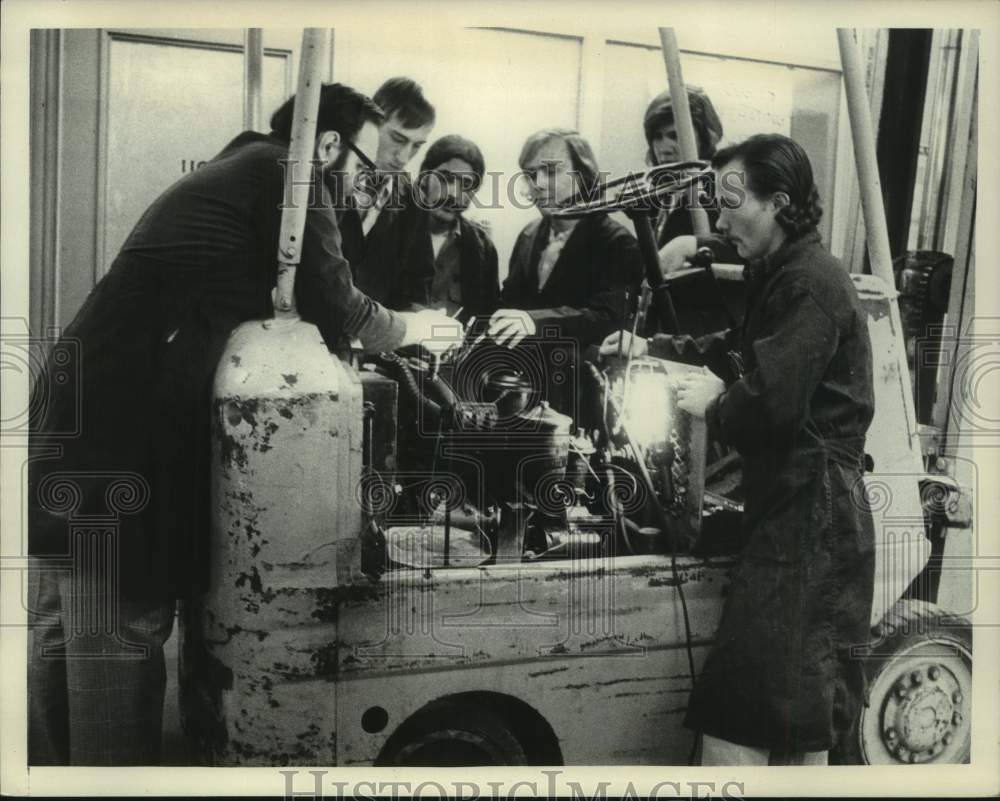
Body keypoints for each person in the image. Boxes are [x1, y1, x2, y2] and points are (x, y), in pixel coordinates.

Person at [26, 83, 461, 766]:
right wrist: (423, 327)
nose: (368, 188)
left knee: (65, 622)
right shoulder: (292, 176)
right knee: (118, 631)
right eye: (370, 168)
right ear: (327, 145)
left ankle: (54, 773)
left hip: (87, 392)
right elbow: (340, 303)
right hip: (124, 418)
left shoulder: (242, 162)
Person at [600, 133, 876, 765]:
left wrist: (718, 405)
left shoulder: (809, 286)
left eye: (731, 203)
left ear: (778, 202)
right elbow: (736, 351)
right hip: (798, 507)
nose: (718, 220)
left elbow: (772, 400)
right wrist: (653, 350)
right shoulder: (783, 275)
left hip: (813, 515)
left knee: (752, 711)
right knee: (794, 712)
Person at [488, 128, 643, 351]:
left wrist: (535, 321)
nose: (538, 183)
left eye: (551, 171)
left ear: (583, 175)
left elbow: (609, 317)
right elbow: (509, 304)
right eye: (531, 174)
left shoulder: (618, 243)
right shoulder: (528, 235)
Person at [340, 76, 436, 307]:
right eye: (397, 138)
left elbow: (416, 286)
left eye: (416, 146)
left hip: (375, 338)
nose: (404, 157)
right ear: (371, 123)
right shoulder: (329, 176)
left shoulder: (414, 200)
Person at [399, 134, 500, 321]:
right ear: (424, 177)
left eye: (467, 184)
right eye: (445, 179)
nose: (454, 194)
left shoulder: (483, 250)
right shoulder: (391, 228)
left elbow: (485, 321)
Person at [642, 86, 740, 272]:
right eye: (657, 137)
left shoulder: (723, 188)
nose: (664, 148)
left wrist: (690, 245)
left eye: (674, 136)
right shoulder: (657, 191)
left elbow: (746, 253)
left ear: (703, 138)